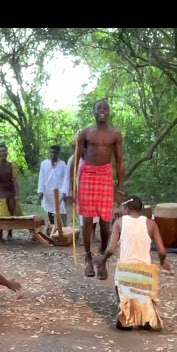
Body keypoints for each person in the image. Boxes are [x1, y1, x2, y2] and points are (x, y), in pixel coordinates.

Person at [95, 196, 171, 331]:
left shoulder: (119, 222)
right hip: (145, 271)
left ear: (127, 209)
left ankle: (126, 317)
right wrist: (163, 262)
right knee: (144, 296)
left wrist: (103, 260)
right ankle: (145, 318)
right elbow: (162, 250)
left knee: (124, 299)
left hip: (126, 270)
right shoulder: (151, 224)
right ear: (141, 210)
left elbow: (111, 248)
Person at [76, 100, 125, 280]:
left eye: (105, 109)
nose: (102, 112)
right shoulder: (86, 133)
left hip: (105, 175)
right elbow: (78, 158)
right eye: (99, 109)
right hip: (88, 175)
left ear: (109, 112)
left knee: (106, 221)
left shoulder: (115, 134)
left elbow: (119, 161)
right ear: (94, 112)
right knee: (87, 220)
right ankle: (88, 257)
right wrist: (74, 189)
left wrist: (120, 187)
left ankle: (103, 258)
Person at [60, 145, 99, 242]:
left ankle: (93, 235)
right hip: (80, 190)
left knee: (95, 214)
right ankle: (85, 236)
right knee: (84, 214)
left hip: (93, 189)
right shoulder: (72, 160)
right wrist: (69, 192)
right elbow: (69, 177)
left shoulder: (92, 158)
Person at [0, 144, 23, 240]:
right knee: (2, 213)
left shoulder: (11, 165)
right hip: (1, 190)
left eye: (4, 151)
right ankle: (0, 233)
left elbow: (14, 180)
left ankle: (10, 233)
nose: (3, 153)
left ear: (7, 152)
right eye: (1, 151)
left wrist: (17, 193)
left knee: (11, 211)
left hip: (10, 190)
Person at [37, 145, 67, 228]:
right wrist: (40, 191)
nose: (53, 154)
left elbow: (66, 179)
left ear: (58, 153)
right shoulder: (44, 164)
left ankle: (65, 227)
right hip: (48, 191)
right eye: (52, 152)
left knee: (62, 210)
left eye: (55, 152)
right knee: (50, 210)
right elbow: (41, 178)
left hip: (60, 190)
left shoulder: (62, 164)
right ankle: (53, 227)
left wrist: (65, 192)